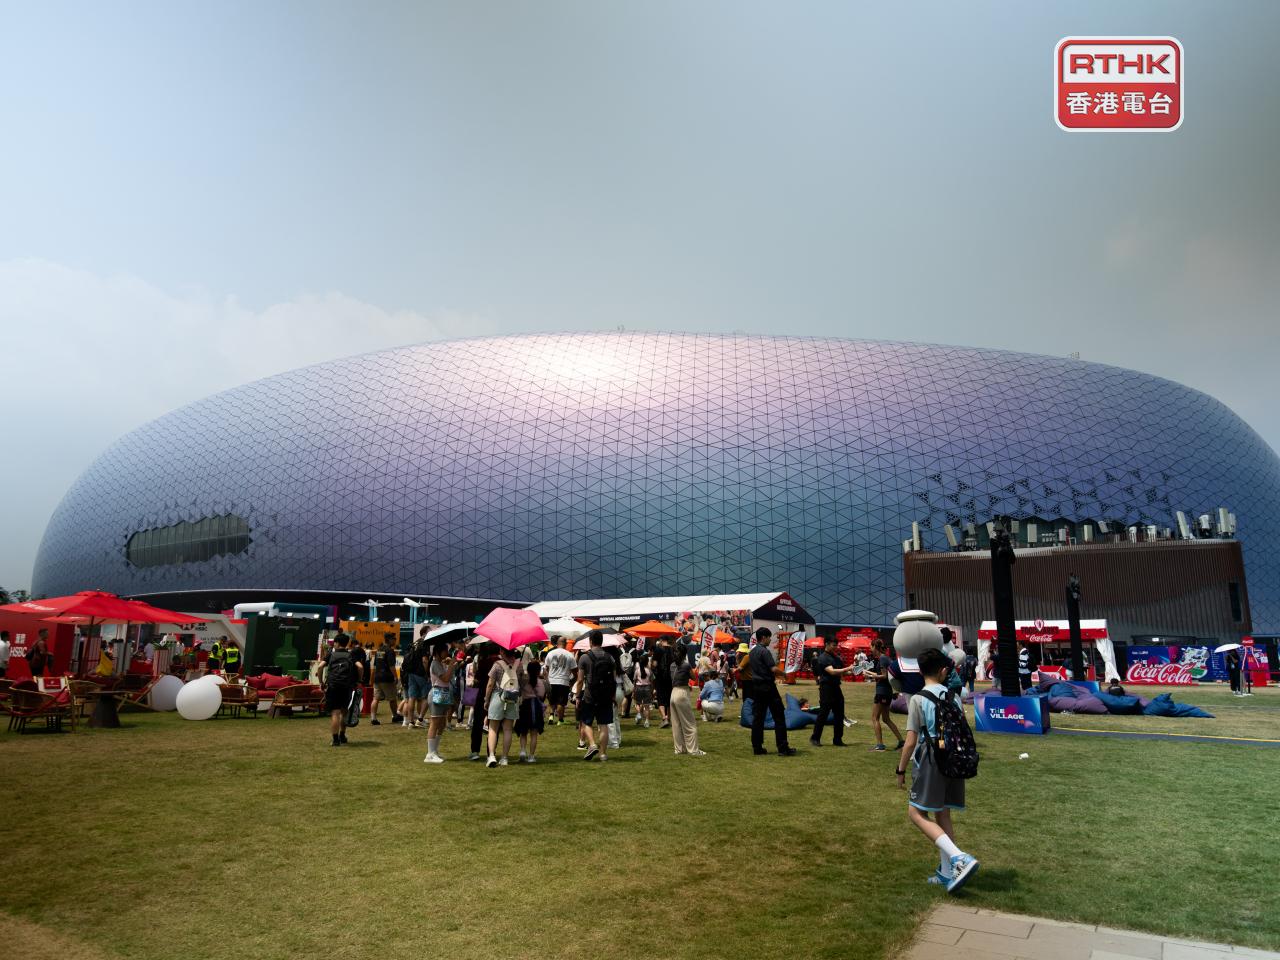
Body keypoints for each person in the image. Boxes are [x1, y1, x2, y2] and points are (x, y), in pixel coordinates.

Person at [896, 648, 979, 893]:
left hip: (930, 758)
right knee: (943, 814)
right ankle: (946, 872)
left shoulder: (918, 699)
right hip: (953, 758)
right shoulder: (953, 697)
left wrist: (900, 770)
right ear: (943, 671)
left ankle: (958, 857)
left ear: (920, 671)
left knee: (916, 813)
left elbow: (910, 741)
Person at [747, 628, 795, 756]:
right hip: (768, 687)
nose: (770, 640)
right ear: (763, 637)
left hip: (756, 687)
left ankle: (757, 747)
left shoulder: (752, 652)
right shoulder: (764, 651)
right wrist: (784, 674)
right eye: (769, 637)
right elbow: (773, 669)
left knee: (758, 718)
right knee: (779, 716)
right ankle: (783, 748)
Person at [576, 630, 616, 762]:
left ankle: (592, 744)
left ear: (590, 641)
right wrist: (612, 695)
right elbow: (613, 679)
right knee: (604, 725)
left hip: (590, 695)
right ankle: (603, 754)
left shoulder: (584, 657)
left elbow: (580, 680)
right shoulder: (610, 657)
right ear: (602, 641)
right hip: (606, 695)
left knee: (586, 722)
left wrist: (577, 696)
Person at [810, 636, 856, 746]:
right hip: (826, 688)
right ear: (826, 644)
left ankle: (837, 739)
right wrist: (847, 669)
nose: (836, 647)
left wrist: (855, 670)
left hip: (836, 687)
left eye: (836, 645)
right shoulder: (823, 658)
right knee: (823, 713)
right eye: (833, 645)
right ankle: (815, 738)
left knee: (839, 714)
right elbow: (832, 671)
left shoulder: (837, 658)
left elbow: (843, 673)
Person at [484, 647, 525, 767]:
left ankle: (491, 756)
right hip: (512, 697)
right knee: (508, 729)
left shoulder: (497, 664)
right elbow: (522, 682)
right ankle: (504, 758)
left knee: (493, 728)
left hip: (498, 696)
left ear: (502, 651)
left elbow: (490, 684)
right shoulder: (519, 664)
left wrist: (486, 699)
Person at [319, 633, 359, 747]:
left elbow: (320, 666)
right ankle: (342, 735)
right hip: (346, 686)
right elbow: (360, 667)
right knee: (344, 711)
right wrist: (358, 680)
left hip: (333, 686)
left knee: (335, 713)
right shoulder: (351, 655)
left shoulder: (331, 654)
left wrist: (321, 682)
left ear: (336, 643)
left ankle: (335, 740)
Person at [867, 638, 905, 753]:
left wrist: (872, 676)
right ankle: (901, 741)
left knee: (875, 718)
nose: (870, 649)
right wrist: (868, 673)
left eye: (871, 646)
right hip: (886, 692)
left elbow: (884, 676)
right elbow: (883, 674)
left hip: (882, 691)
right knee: (886, 719)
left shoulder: (882, 659)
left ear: (875, 647)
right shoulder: (885, 658)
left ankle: (880, 745)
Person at [668, 640, 705, 755]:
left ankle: (679, 749)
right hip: (682, 693)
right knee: (689, 724)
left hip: (673, 693)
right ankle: (693, 750)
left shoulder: (672, 665)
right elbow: (694, 677)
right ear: (685, 654)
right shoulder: (686, 665)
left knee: (676, 724)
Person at [424, 641, 455, 763]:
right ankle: (430, 754)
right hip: (437, 693)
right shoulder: (435, 664)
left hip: (443, 693)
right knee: (435, 723)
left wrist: (450, 665)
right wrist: (451, 665)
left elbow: (448, 677)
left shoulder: (440, 663)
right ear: (438, 652)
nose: (447, 653)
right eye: (445, 650)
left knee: (441, 724)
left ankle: (434, 751)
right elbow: (446, 678)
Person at [516, 661, 546, 763]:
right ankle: (531, 756)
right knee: (534, 733)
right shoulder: (540, 682)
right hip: (535, 707)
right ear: (538, 671)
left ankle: (522, 751)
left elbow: (519, 691)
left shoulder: (523, 680)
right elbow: (542, 695)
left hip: (524, 706)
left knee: (523, 732)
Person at [543, 636, 577, 726]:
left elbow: (546, 667)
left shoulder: (550, 653)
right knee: (561, 702)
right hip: (563, 681)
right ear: (565, 644)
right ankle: (560, 720)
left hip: (551, 680)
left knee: (552, 700)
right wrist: (573, 680)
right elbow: (574, 670)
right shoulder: (569, 655)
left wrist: (548, 677)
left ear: (557, 643)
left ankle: (551, 716)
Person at [370, 633, 402, 725]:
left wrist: (372, 678)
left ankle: (373, 718)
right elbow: (392, 666)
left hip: (377, 677)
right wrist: (395, 676)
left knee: (376, 698)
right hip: (387, 678)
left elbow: (375, 666)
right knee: (392, 698)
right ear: (389, 639)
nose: (395, 640)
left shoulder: (379, 650)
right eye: (394, 639)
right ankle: (395, 716)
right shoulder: (390, 651)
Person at [402, 630, 431, 728]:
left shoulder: (414, 643)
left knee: (412, 697)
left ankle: (411, 722)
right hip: (420, 673)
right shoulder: (424, 643)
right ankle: (420, 719)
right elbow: (425, 660)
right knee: (426, 697)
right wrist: (427, 674)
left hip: (411, 673)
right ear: (424, 633)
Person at [652, 636, 674, 728]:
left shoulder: (658, 650)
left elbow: (654, 664)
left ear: (661, 641)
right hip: (670, 677)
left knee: (660, 698)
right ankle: (669, 718)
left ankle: (664, 718)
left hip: (660, 677)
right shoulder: (673, 650)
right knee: (668, 698)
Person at [632, 654, 654, 727]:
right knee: (647, 706)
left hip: (638, 688)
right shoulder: (649, 671)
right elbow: (652, 681)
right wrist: (652, 691)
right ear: (647, 662)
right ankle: (647, 721)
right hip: (647, 688)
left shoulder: (637, 671)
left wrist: (633, 691)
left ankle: (639, 714)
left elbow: (634, 681)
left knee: (637, 703)